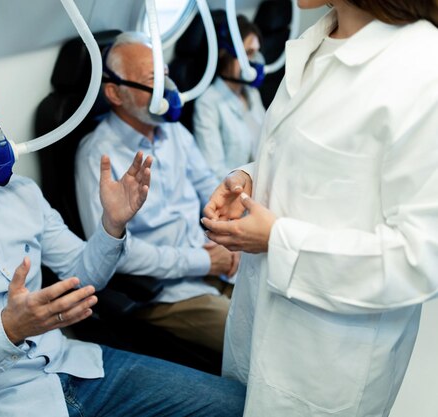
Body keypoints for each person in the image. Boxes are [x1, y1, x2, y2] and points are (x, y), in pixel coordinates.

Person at [0, 50, 246, 417]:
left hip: (75, 365)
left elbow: (83, 275)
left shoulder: (20, 192)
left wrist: (112, 226)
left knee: (241, 406)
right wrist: (7, 330)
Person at [201, 1, 438, 416]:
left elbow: (421, 259)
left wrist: (278, 240)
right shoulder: (317, 43)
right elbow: (335, 169)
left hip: (325, 368)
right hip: (257, 330)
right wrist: (254, 177)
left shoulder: (423, 69)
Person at [75, 32, 240, 354]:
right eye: (153, 79)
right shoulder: (99, 155)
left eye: (165, 75)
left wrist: (232, 235)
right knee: (254, 341)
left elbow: (208, 186)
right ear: (115, 93)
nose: (168, 88)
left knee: (284, 314)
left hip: (216, 261)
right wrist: (202, 262)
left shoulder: (174, 132)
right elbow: (111, 251)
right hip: (164, 293)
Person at [192, 15, 266, 181]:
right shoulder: (208, 103)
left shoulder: (252, 93)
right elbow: (215, 170)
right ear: (225, 53)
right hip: (237, 192)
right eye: (249, 53)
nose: (255, 62)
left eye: (257, 53)